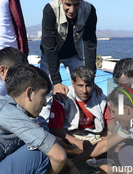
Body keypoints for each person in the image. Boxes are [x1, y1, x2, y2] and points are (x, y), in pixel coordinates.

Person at [38, 0, 98, 129]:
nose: (72, 10)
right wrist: (56, 82)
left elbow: (90, 43)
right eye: (68, 5)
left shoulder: (89, 10)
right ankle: (43, 127)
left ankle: (79, 124)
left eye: (76, 5)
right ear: (60, 1)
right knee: (45, 90)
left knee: (84, 87)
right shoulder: (50, 9)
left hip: (74, 53)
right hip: (50, 54)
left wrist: (91, 78)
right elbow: (50, 47)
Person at [49, 66, 110, 156]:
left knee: (117, 139)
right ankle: (92, 153)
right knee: (54, 141)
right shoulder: (62, 98)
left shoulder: (101, 98)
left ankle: (86, 153)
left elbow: (109, 124)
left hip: (94, 138)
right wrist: (78, 142)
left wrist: (106, 138)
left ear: (93, 84)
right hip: (69, 137)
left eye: (88, 86)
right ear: (73, 84)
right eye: (80, 86)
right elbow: (54, 129)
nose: (84, 91)